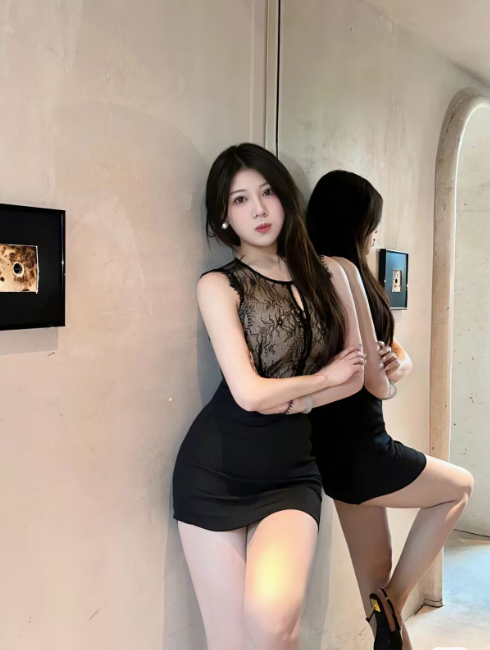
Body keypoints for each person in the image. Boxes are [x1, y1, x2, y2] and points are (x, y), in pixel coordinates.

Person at [172, 144, 366, 650]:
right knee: (231, 642)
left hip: (290, 474)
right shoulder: (218, 285)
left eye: (267, 193)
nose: (258, 209)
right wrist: (321, 381)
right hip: (213, 473)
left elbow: (355, 376)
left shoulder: (330, 274)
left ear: (285, 197)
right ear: (224, 215)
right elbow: (250, 394)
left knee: (272, 623)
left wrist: (303, 402)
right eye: (240, 200)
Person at [305, 170, 475, 650]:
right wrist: (389, 381)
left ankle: (386, 611)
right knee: (459, 487)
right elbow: (375, 381)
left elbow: (394, 353)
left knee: (376, 600)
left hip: (331, 449)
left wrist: (396, 366)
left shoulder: (315, 274)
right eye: (371, 223)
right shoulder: (342, 269)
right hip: (364, 442)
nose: (375, 232)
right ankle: (393, 599)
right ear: (352, 221)